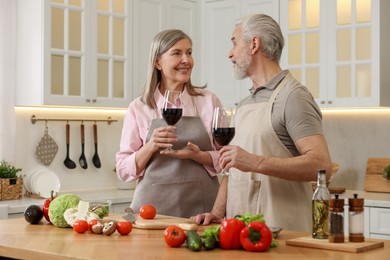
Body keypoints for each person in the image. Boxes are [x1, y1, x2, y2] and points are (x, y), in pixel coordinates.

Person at [191, 14, 332, 231]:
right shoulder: (245, 103)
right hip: (241, 232)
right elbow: (233, 168)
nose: (230, 53)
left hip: (283, 233)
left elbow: (322, 166)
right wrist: (218, 212)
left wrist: (255, 162)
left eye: (234, 42)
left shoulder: (293, 97)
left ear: (254, 44)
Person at [116, 29, 222, 218]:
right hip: (151, 213)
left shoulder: (208, 101)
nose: (186, 60)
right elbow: (123, 170)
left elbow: (228, 159)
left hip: (202, 212)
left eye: (189, 53)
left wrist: (200, 156)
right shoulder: (139, 107)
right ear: (157, 62)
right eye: (177, 53)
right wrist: (150, 146)